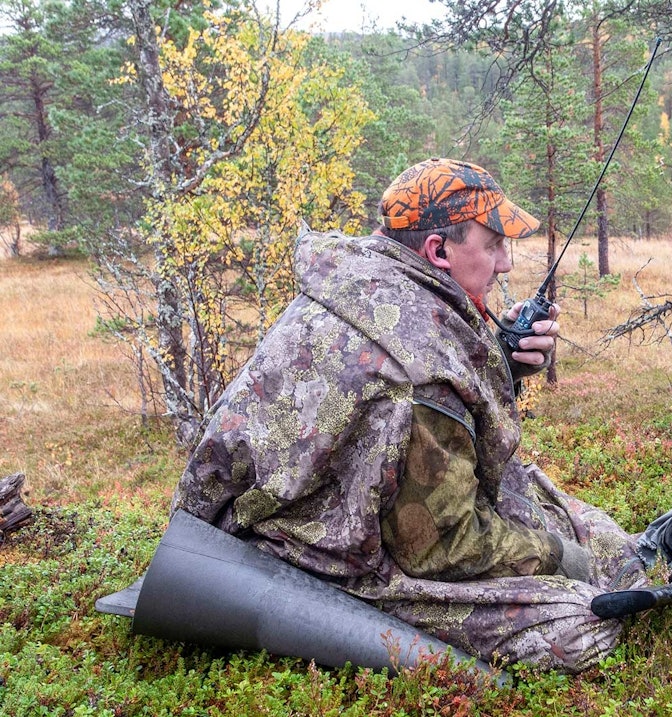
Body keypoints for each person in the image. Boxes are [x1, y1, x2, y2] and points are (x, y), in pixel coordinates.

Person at [171, 158, 646, 673]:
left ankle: (632, 553)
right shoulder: (420, 372)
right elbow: (440, 548)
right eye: (492, 245)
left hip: (259, 518)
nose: (505, 264)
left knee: (582, 530)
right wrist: (558, 559)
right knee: (584, 623)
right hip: (307, 559)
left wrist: (499, 364)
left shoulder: (358, 279)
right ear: (437, 251)